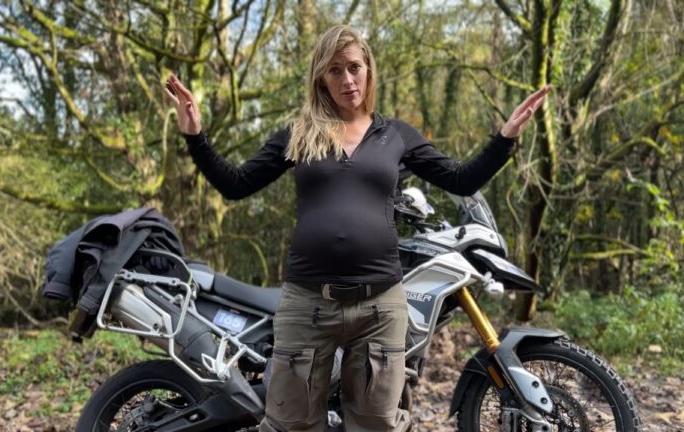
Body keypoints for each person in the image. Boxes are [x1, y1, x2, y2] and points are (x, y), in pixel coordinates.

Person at [164, 24, 549, 432]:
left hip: (379, 305)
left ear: (368, 69)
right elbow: (235, 185)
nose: (347, 80)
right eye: (334, 70)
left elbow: (460, 179)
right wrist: (196, 136)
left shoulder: (396, 135)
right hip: (308, 302)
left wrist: (505, 138)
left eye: (354, 67)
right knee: (289, 424)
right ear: (320, 78)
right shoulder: (299, 134)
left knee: (376, 425)